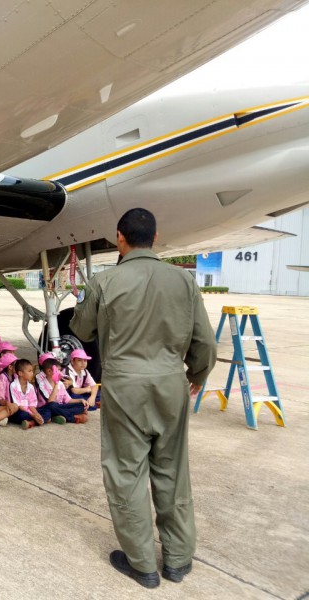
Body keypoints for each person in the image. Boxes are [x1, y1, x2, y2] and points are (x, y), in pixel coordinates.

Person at [70, 207, 216, 588]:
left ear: (120, 237)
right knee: (172, 470)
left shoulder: (105, 281)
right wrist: (196, 374)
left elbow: (82, 329)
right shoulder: (183, 282)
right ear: (155, 237)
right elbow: (205, 343)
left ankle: (142, 564)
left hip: (125, 387)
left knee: (127, 472)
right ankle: (178, 559)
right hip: (170, 384)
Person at [36, 358, 88, 424]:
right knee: (52, 406)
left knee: (82, 405)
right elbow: (50, 402)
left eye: (60, 370)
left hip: (59, 407)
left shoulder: (60, 384)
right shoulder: (42, 385)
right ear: (49, 371)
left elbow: (68, 400)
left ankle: (58, 416)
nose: (60, 373)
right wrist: (56, 384)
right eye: (57, 370)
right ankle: (73, 418)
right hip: (47, 408)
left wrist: (80, 400)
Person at [6, 359, 45, 429]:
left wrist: (36, 414)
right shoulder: (13, 385)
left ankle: (31, 423)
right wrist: (33, 415)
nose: (32, 373)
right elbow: (18, 405)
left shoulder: (31, 387)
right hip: (19, 411)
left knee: (47, 411)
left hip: (30, 411)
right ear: (20, 373)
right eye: (29, 371)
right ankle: (36, 421)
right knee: (22, 415)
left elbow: (32, 404)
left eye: (32, 371)